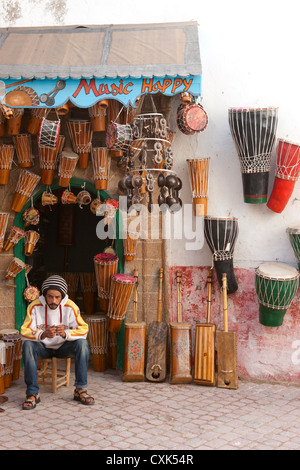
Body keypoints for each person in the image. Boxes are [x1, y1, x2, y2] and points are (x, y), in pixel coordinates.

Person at [21, 274, 95, 410]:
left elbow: (84, 329)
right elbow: (24, 331)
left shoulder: (71, 306)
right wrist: (42, 334)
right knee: (27, 345)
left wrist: (67, 333)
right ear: (44, 295)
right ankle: (32, 393)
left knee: (82, 344)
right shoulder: (34, 306)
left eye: (57, 297)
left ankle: (80, 390)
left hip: (63, 348)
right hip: (42, 347)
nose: (53, 300)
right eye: (50, 296)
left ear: (62, 296)